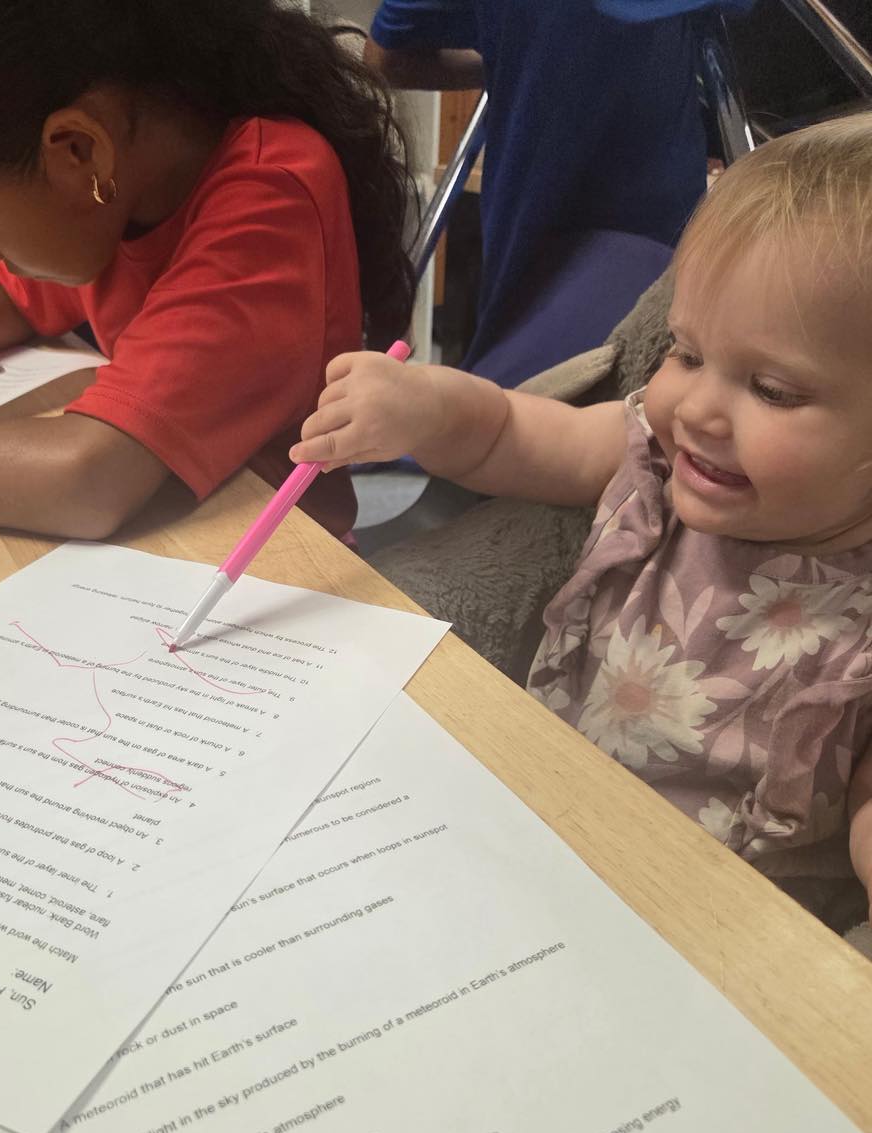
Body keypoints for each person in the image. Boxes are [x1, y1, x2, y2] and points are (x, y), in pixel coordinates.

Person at [290, 112, 872, 933]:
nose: (697, 407)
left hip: (717, 949)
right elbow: (510, 434)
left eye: (772, 389)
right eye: (687, 353)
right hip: (535, 848)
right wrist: (422, 406)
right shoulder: (657, 461)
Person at [0, 0, 414, 541]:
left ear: (79, 149)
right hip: (163, 541)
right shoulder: (118, 187)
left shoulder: (268, 192)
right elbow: (22, 291)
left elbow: (88, 478)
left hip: (270, 570)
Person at [364, 0, 754, 382]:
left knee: (534, 407)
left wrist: (517, 62)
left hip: (544, 216)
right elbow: (387, 57)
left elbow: (387, 57)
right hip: (634, 220)